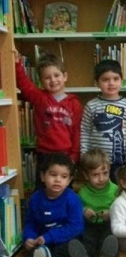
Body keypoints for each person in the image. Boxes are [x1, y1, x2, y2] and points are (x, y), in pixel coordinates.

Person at [0, 153, 84, 257]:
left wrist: (49, 237)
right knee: (35, 254)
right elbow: (31, 223)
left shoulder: (72, 199)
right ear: (42, 176)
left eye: (63, 177)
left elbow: (76, 227)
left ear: (69, 180)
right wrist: (29, 237)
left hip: (66, 239)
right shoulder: (35, 199)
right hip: (42, 241)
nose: (57, 180)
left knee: (63, 252)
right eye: (53, 174)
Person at [14, 53, 83, 183]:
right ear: (41, 81)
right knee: (42, 189)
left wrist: (74, 156)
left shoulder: (74, 104)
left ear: (65, 76)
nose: (53, 80)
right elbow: (24, 85)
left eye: (56, 75)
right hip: (44, 154)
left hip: (66, 155)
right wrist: (17, 64)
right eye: (47, 77)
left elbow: (77, 131)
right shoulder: (40, 98)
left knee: (64, 189)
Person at [80, 59, 126, 183]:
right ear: (97, 83)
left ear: (121, 80)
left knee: (119, 191)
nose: (111, 83)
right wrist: (84, 155)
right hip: (97, 162)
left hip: (121, 161)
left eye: (115, 79)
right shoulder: (91, 105)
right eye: (105, 80)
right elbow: (85, 131)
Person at [68, 148, 119, 257]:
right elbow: (76, 209)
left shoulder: (116, 190)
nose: (101, 179)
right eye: (95, 175)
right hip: (89, 225)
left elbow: (123, 209)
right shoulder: (82, 192)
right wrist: (84, 210)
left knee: (110, 240)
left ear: (109, 170)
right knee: (87, 240)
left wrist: (111, 213)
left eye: (105, 173)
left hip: (109, 224)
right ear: (86, 175)